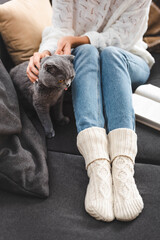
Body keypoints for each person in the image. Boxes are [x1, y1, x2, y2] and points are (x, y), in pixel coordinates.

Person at [27, 0, 154, 222]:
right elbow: (60, 27)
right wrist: (45, 53)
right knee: (85, 50)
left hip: (128, 56)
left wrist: (78, 39)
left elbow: (125, 36)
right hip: (83, 60)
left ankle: (123, 168)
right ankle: (98, 168)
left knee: (110, 53)